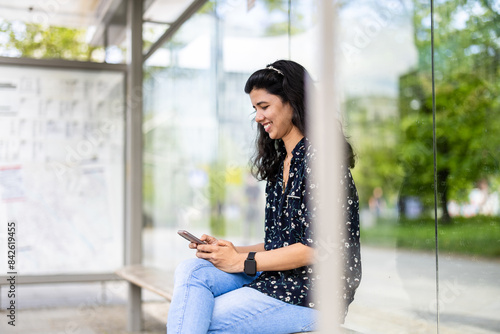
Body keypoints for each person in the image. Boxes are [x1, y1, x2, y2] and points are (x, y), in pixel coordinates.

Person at [166, 60, 361, 334]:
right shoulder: (281, 161)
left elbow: (316, 248)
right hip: (278, 278)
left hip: (313, 294)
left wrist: (241, 262)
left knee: (201, 319)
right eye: (255, 109)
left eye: (264, 106)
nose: (258, 117)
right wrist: (233, 251)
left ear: (293, 101)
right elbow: (280, 243)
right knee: (192, 271)